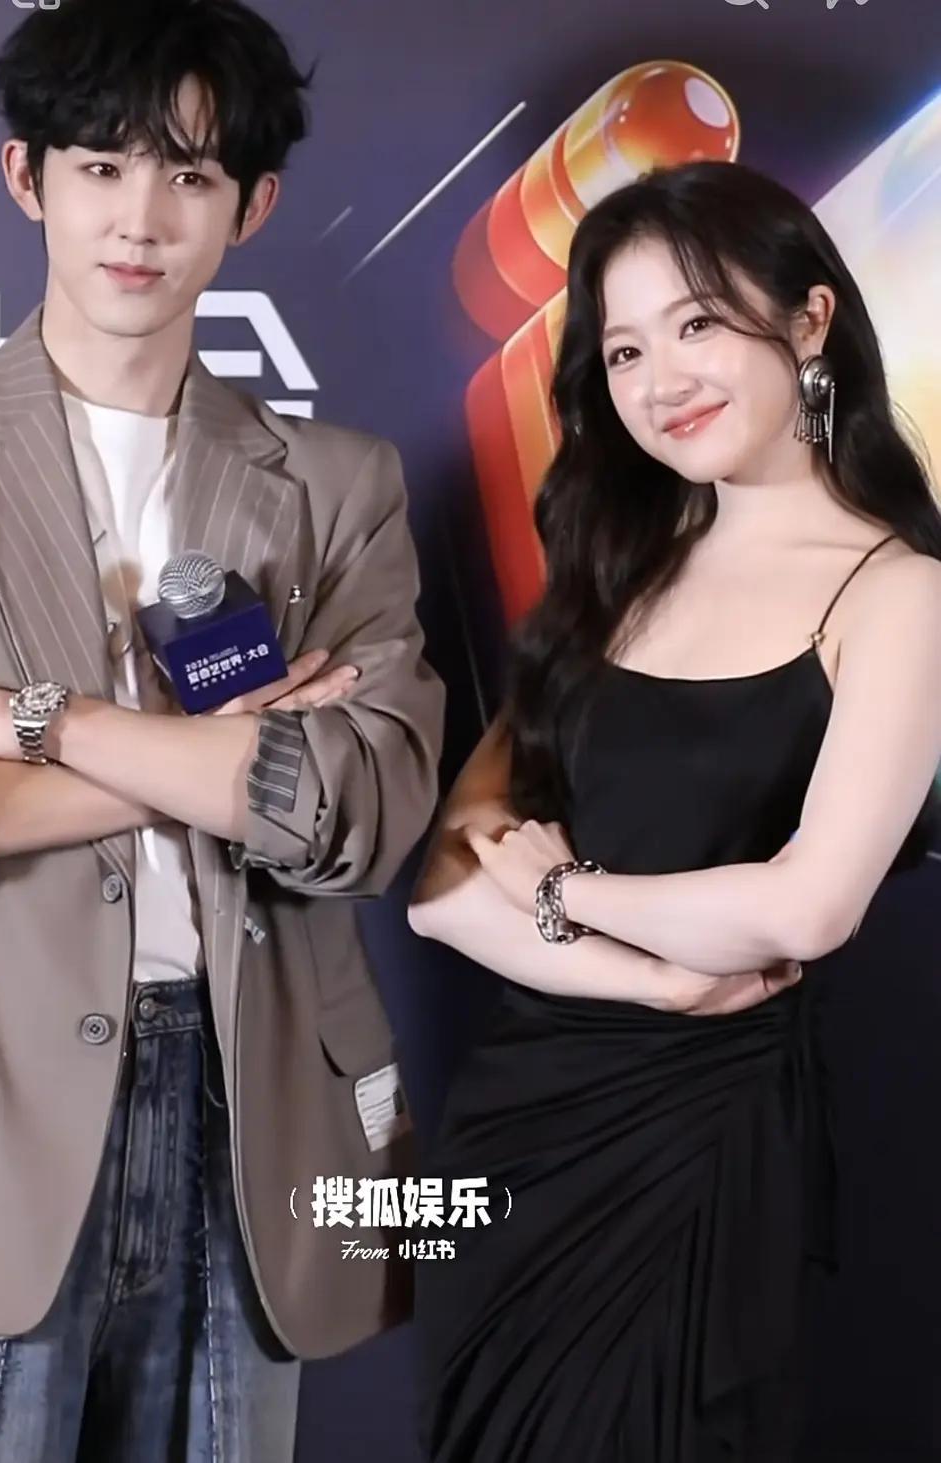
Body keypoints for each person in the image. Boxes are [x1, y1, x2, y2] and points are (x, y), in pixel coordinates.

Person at [0, 1, 444, 1458]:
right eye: (103, 166)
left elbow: (361, 810)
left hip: (252, 1117)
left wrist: (29, 724)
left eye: (190, 175)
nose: (141, 218)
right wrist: (210, 762)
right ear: (27, 177)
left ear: (254, 205)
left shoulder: (340, 483)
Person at [408, 159, 941, 1461]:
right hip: (517, 1131)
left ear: (811, 319)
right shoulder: (616, 572)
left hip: (707, 1143)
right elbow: (441, 888)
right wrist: (646, 975)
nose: (660, 381)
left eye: (698, 322)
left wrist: (561, 892)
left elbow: (807, 907)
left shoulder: (900, 594)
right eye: (626, 349)